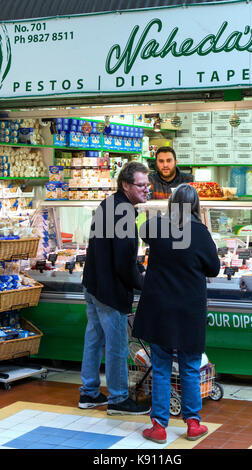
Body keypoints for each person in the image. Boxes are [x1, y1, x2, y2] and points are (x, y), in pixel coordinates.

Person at [132, 183, 220, 442]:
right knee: (190, 367)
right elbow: (213, 268)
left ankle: (158, 427)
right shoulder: (200, 232)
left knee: (160, 367)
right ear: (195, 206)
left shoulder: (158, 226)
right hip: (188, 311)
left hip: (159, 308)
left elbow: (143, 231)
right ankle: (193, 424)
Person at [79, 161, 151, 416]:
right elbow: (123, 262)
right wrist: (143, 283)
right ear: (125, 184)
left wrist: (137, 269)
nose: (146, 189)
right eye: (141, 185)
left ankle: (88, 393)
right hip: (109, 291)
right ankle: (119, 398)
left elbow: (114, 253)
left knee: (94, 339)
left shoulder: (109, 203)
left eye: (147, 184)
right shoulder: (124, 212)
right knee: (117, 345)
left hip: (93, 284)